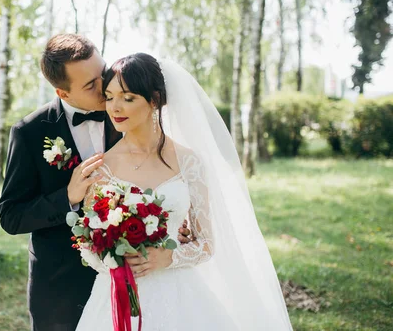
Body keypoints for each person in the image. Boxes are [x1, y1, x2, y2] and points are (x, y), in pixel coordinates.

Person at [75, 53, 293, 331]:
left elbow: (206, 244)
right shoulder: (101, 166)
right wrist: (113, 262)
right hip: (116, 296)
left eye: (127, 98)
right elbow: (87, 241)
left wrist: (169, 256)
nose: (115, 107)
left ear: (154, 100)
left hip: (179, 293)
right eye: (109, 96)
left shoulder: (189, 162)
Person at [0, 35, 194, 331]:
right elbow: (11, 216)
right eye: (91, 85)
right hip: (60, 285)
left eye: (102, 73)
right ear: (63, 93)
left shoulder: (128, 112)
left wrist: (174, 226)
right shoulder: (29, 133)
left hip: (139, 279)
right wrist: (67, 196)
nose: (105, 88)